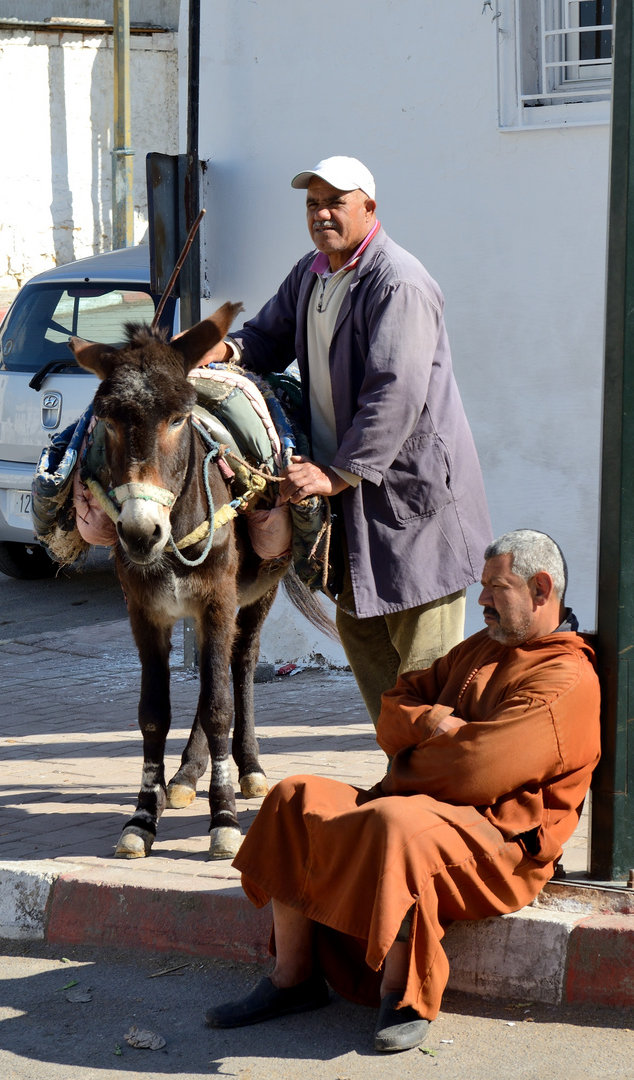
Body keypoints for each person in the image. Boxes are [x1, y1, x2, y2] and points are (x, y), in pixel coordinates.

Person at [204, 530, 601, 1052]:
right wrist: (435, 721)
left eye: (495, 588)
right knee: (292, 797)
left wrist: (408, 762)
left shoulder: (566, 677)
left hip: (501, 843)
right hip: (424, 807)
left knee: (395, 823)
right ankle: (293, 978)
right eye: (482, 586)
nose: (481, 599)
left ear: (541, 589)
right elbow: (396, 705)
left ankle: (405, 995)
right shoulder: (481, 648)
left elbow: (474, 772)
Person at [201, 155, 492, 726]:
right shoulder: (315, 273)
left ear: (369, 208)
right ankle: (404, 779)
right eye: (313, 204)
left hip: (412, 502)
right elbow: (266, 335)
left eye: (335, 202)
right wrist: (224, 351)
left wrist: (336, 473)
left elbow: (395, 393)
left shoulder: (398, 282)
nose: (322, 214)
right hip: (355, 503)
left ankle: (438, 796)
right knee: (362, 633)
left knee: (426, 671)